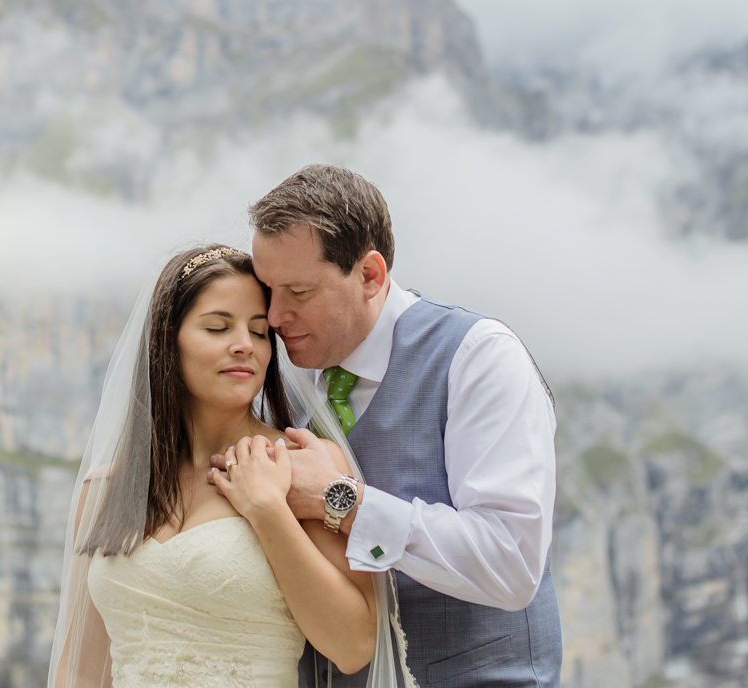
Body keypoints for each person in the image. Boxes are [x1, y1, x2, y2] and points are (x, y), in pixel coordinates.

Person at [219, 164, 562, 688]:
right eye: (268, 289)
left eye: (299, 291)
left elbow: (510, 563)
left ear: (371, 275)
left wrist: (341, 500)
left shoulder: (478, 357)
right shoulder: (274, 379)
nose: (275, 314)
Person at [48, 245, 413, 688]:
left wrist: (267, 510)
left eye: (260, 333)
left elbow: (354, 645)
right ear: (168, 340)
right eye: (219, 327)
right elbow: (81, 670)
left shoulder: (300, 466)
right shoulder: (106, 485)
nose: (244, 345)